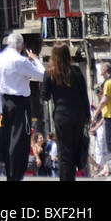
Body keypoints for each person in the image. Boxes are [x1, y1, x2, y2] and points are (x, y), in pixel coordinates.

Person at [0, 31, 45, 182]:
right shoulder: (20, 61)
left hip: (5, 102)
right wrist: (35, 60)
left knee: (9, 139)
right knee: (20, 141)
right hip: (20, 103)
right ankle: (16, 175)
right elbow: (42, 75)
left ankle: (10, 174)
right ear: (21, 46)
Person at [40, 43, 89, 183]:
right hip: (78, 115)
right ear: (68, 55)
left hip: (61, 116)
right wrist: (88, 115)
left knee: (64, 150)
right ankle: (72, 177)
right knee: (75, 147)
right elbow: (83, 94)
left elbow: (44, 96)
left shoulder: (49, 73)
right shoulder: (76, 71)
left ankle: (66, 179)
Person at [91, 62, 111, 164]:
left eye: (101, 69)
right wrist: (100, 92)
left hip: (109, 117)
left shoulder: (108, 83)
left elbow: (104, 101)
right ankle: (109, 168)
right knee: (110, 146)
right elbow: (107, 98)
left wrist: (95, 115)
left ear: (104, 70)